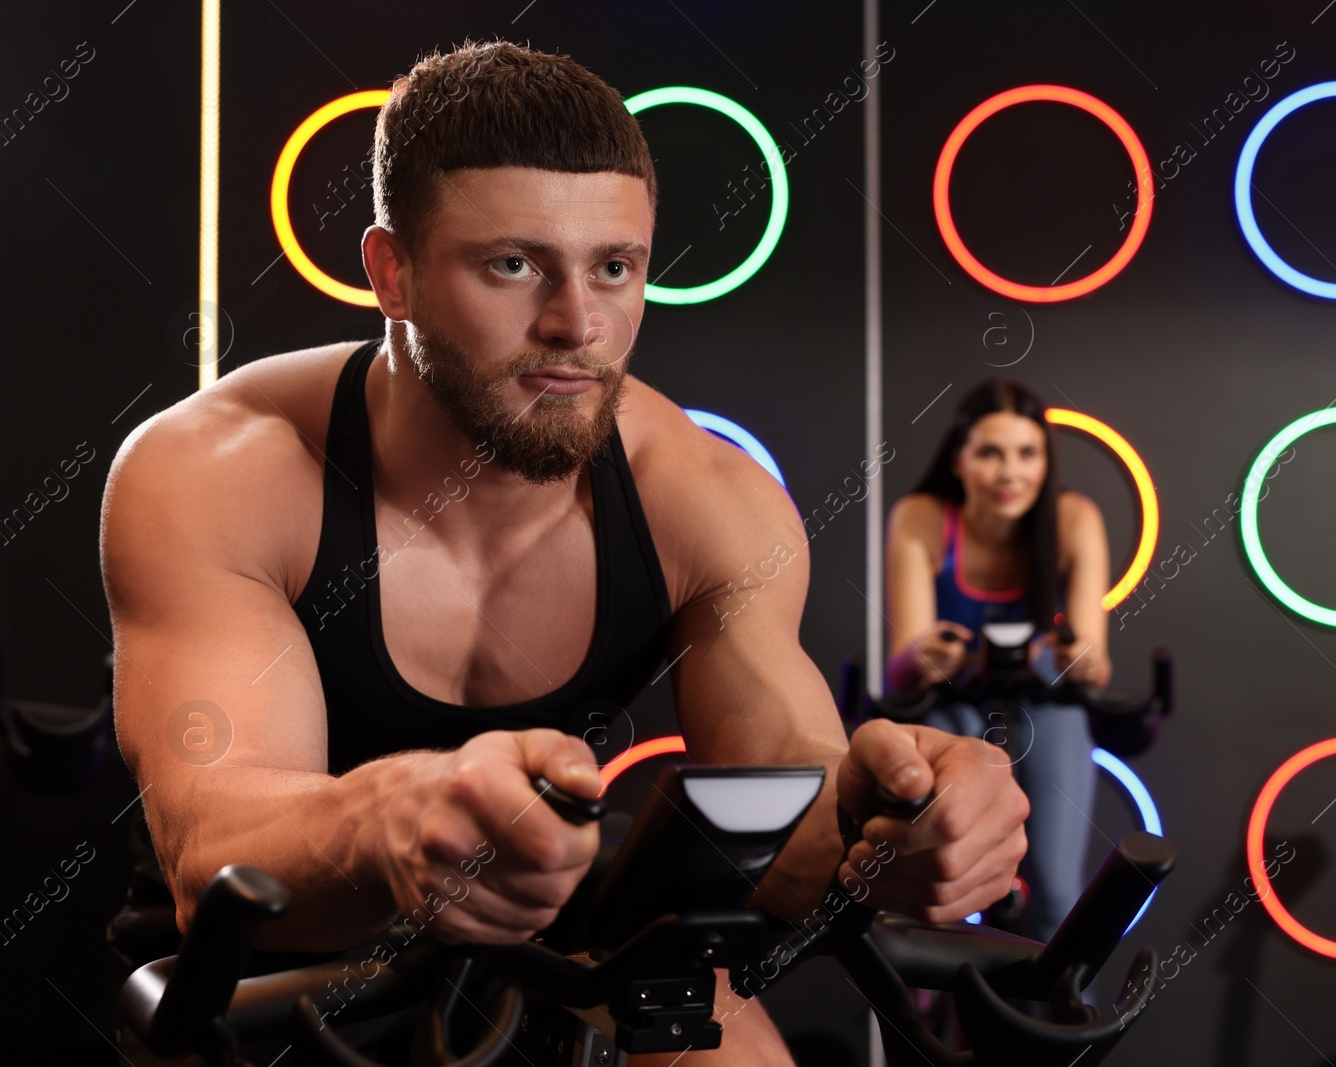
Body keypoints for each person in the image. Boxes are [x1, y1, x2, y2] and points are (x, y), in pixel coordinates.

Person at [99, 40, 1028, 1065]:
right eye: (512, 264)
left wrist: (885, 818)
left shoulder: (710, 499)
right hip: (273, 974)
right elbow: (211, 841)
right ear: (391, 272)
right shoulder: (220, 469)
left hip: (559, 941)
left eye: (614, 268)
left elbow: (784, 790)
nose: (576, 325)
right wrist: (400, 813)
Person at [884, 379, 1111, 945]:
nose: (1011, 473)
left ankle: (1066, 1029)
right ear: (959, 461)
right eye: (991, 453)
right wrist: (926, 654)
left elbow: (1096, 665)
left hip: (1046, 705)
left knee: (1058, 895)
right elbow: (900, 670)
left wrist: (1074, 659)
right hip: (951, 708)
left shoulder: (1075, 519)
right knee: (941, 896)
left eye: (1027, 454)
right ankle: (931, 1027)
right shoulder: (921, 518)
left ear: (1046, 461)